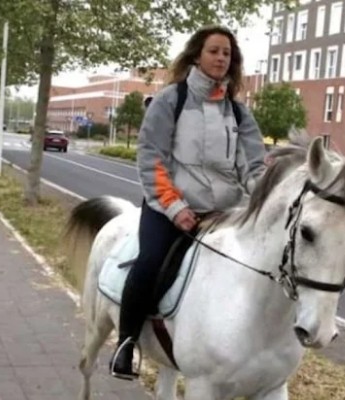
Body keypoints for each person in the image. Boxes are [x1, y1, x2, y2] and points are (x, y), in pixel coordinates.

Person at [109, 25, 267, 380]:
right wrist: (174, 207)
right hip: (169, 207)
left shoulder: (239, 113)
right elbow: (152, 158)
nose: (221, 58)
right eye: (214, 51)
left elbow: (253, 167)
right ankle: (127, 343)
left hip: (223, 213)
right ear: (197, 55)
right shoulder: (171, 100)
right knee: (150, 262)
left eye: (227, 53)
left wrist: (264, 197)